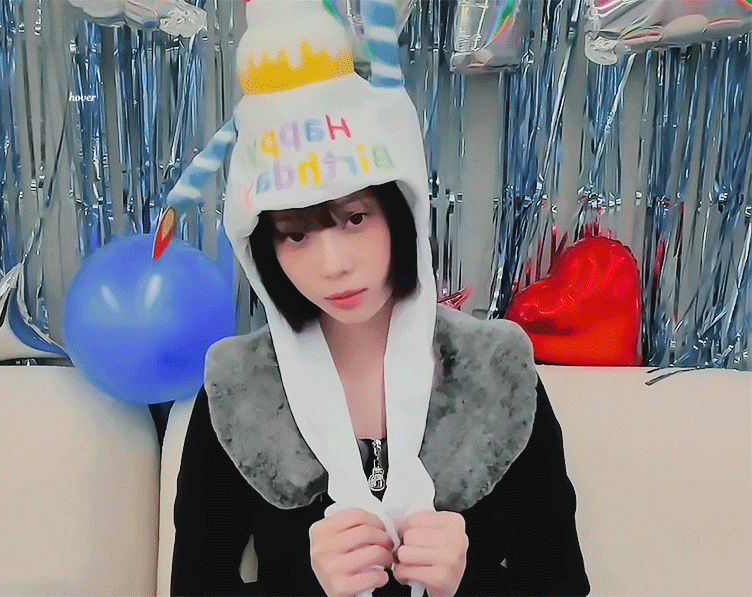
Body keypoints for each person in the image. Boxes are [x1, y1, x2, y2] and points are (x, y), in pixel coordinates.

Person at [166, 1, 590, 595]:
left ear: (400, 211)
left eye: (356, 218)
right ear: (263, 247)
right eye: (295, 234)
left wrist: (465, 582)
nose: (333, 264)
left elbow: (562, 584)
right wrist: (309, 584)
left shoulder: (496, 371)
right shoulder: (239, 389)